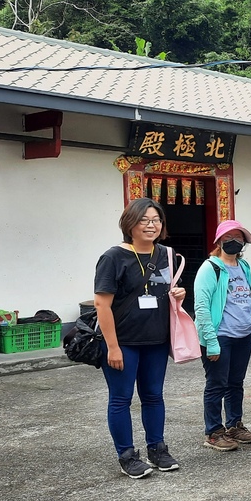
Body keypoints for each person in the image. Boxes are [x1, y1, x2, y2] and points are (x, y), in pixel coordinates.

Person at [94, 197, 186, 479]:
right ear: (129, 223)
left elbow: (166, 290)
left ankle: (157, 449)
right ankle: (127, 455)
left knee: (153, 396)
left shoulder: (167, 254)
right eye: (144, 220)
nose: (151, 225)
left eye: (156, 220)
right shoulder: (113, 257)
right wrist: (112, 347)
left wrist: (178, 294)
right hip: (123, 341)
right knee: (121, 399)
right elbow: (102, 304)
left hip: (156, 340)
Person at [194, 219, 251, 452]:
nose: (234, 242)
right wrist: (210, 342)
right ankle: (213, 431)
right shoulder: (210, 268)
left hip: (243, 335)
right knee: (216, 384)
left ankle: (234, 425)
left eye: (239, 238)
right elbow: (201, 307)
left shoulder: (244, 267)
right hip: (220, 336)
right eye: (229, 238)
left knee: (236, 383)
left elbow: (250, 300)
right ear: (219, 241)